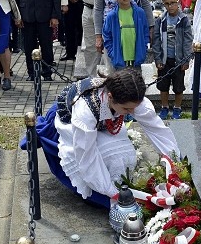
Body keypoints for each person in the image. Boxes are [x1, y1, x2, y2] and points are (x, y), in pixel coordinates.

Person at [30, 68, 180, 208]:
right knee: (110, 156)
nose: (132, 112)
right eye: (127, 109)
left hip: (103, 121)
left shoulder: (130, 98)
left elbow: (157, 129)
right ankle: (105, 194)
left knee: (127, 154)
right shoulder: (85, 110)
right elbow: (86, 155)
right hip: (71, 121)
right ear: (110, 97)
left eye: (134, 107)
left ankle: (121, 184)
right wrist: (110, 192)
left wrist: (174, 162)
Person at [152, 0, 192, 120]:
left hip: (178, 59)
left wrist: (186, 60)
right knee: (163, 85)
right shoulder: (161, 20)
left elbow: (187, 41)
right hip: (164, 59)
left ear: (178, 2)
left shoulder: (184, 20)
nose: (170, 6)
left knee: (178, 86)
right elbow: (156, 40)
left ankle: (177, 107)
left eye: (173, 2)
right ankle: (164, 107)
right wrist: (158, 59)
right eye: (167, 4)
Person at [102, 0, 149, 72]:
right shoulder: (112, 16)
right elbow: (107, 37)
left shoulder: (140, 13)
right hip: (119, 61)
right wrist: (113, 54)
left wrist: (143, 50)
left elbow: (145, 32)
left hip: (137, 59)